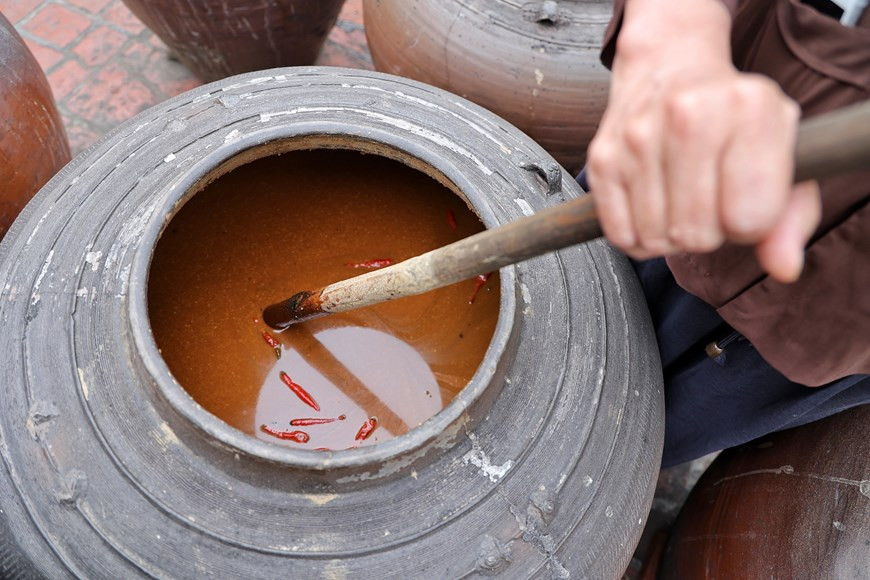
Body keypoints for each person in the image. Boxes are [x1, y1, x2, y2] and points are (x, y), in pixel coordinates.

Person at [584, 0, 870, 466]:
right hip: (692, 156)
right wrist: (674, 31)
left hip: (830, 336)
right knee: (562, 303)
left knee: (624, 450)